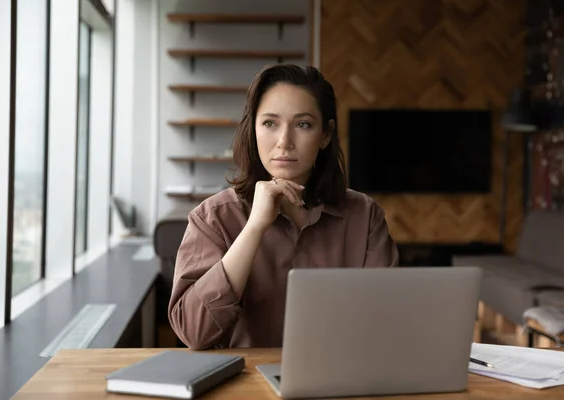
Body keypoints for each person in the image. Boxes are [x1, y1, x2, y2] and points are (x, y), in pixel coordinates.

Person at [168, 64, 399, 350]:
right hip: (244, 387)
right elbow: (193, 333)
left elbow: (387, 323)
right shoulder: (213, 218)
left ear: (325, 135)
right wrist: (254, 227)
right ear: (253, 129)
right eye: (269, 123)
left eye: (302, 124)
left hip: (339, 382)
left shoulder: (364, 216)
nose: (284, 142)